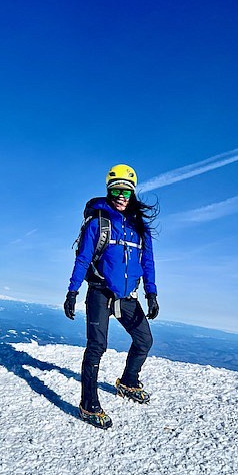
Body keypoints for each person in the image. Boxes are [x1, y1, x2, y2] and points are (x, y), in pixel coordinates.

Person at [64, 164, 159, 429]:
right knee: (96, 347)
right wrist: (73, 291)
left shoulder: (141, 229)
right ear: (109, 190)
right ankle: (88, 404)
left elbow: (148, 262)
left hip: (128, 295)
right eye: (116, 190)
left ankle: (128, 381)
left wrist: (151, 293)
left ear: (132, 195)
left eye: (126, 192)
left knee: (144, 340)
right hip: (100, 292)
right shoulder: (98, 223)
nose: (121, 196)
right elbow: (83, 258)